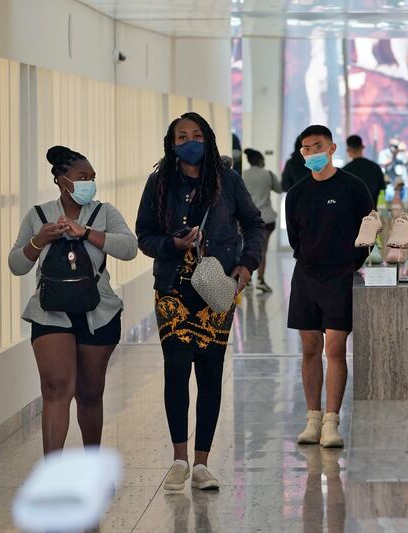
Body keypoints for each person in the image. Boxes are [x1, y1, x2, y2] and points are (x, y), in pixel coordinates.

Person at [135, 112, 265, 491]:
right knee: (176, 368)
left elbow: (254, 224)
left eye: (196, 134)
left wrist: (246, 265)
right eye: (181, 136)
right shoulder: (159, 183)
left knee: (210, 373)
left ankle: (202, 464)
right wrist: (172, 245)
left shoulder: (228, 181)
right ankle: (179, 458)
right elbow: (144, 235)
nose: (189, 141)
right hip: (173, 289)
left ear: (207, 139)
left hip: (216, 286)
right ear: (171, 143)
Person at [8, 145, 137, 455]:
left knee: (90, 393)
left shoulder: (104, 212)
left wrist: (86, 232)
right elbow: (16, 264)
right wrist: (39, 240)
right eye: (82, 177)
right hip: (50, 313)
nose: (89, 183)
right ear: (61, 180)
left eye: (92, 177)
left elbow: (129, 248)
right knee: (55, 389)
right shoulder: (38, 215)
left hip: (98, 312)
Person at [286, 125, 374, 448]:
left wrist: (351, 262)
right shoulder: (296, 194)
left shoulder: (353, 187)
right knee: (309, 348)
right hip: (306, 276)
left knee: (335, 347)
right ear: (302, 153)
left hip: (340, 276)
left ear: (332, 147)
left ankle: (332, 422)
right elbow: (295, 238)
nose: (312, 153)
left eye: (318, 146)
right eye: (306, 148)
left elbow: (370, 227)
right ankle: (312, 417)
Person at [243, 148, 282, 293]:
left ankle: (246, 282)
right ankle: (260, 281)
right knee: (262, 250)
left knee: (246, 249)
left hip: (246, 220)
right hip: (266, 219)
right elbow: (279, 189)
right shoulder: (268, 174)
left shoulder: (242, 175)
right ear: (260, 160)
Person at [342, 134, 386, 206]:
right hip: (372, 213)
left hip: (352, 213)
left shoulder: (344, 171)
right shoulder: (375, 168)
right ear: (362, 147)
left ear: (348, 150)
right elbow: (382, 190)